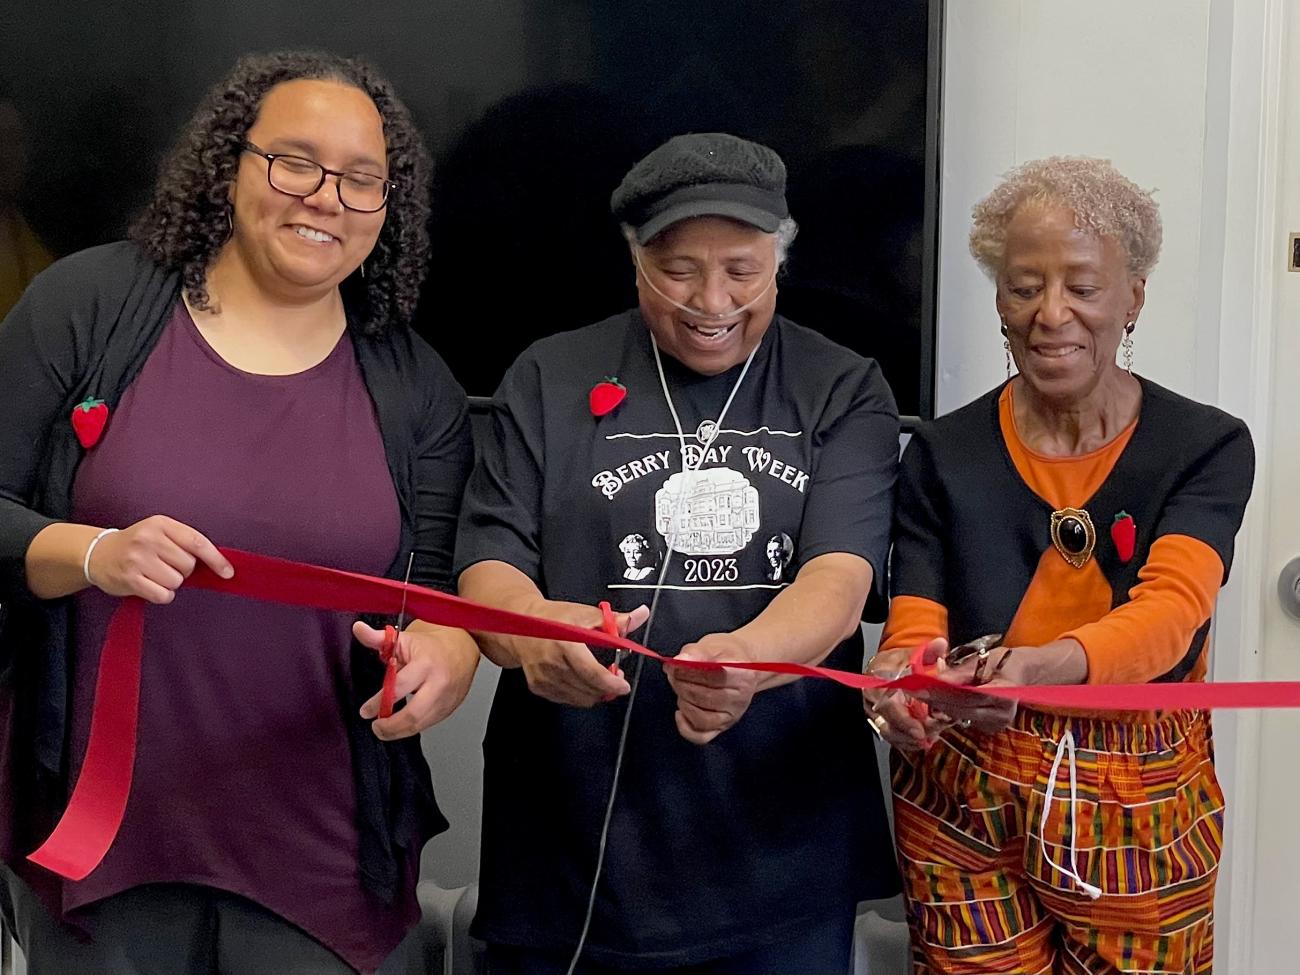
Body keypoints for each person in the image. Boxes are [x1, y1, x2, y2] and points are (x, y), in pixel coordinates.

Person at [0, 51, 478, 974]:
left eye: (360, 179)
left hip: (323, 854)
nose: (325, 196)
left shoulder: (418, 387)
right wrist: (90, 552)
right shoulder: (91, 305)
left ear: (390, 207)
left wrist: (446, 657)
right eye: (294, 161)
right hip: (105, 846)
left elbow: (438, 593)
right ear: (230, 165)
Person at [456, 132, 901, 974]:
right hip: (571, 852)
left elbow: (839, 580)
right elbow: (490, 563)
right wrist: (529, 630)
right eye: (679, 269)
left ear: (779, 258)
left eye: (741, 268)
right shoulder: (548, 375)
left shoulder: (841, 384)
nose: (712, 299)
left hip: (778, 847)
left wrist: (746, 661)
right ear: (635, 262)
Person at [865, 156, 1254, 975]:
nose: (1051, 314)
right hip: (960, 788)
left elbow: (1171, 613)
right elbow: (915, 621)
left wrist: (1041, 668)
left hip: (1136, 792)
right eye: (1022, 287)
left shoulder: (1205, 446)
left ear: (1133, 296)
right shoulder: (942, 450)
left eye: (1082, 285)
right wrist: (901, 688)